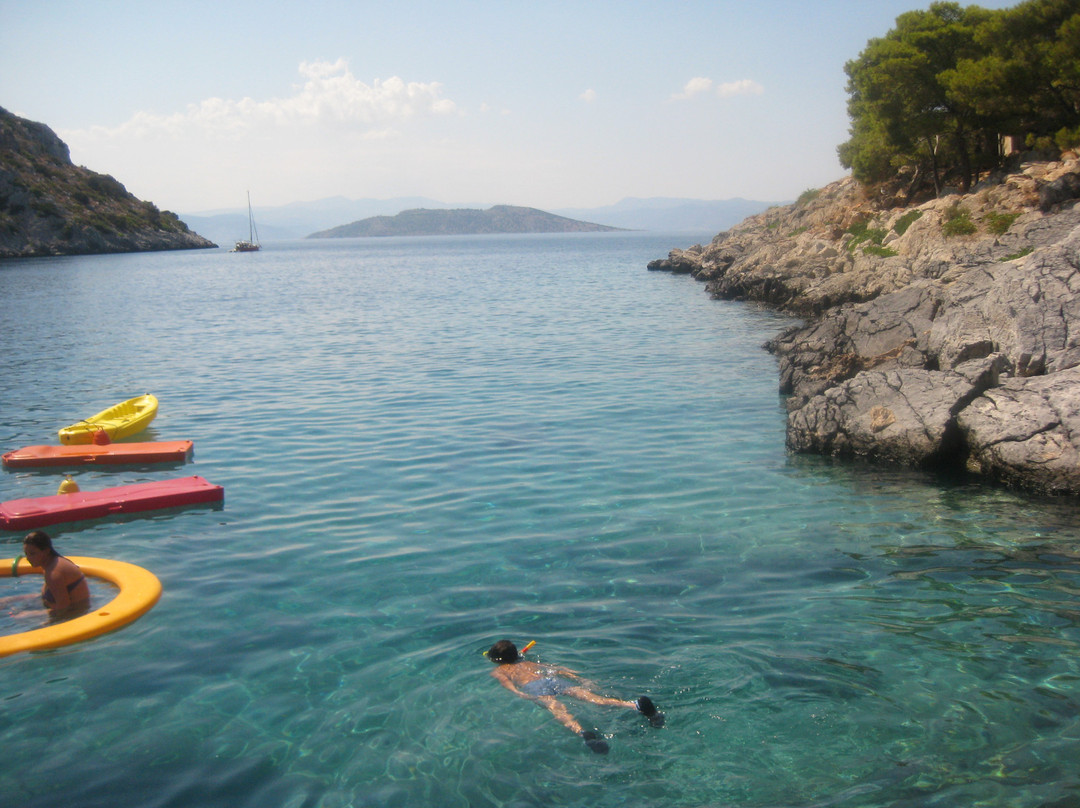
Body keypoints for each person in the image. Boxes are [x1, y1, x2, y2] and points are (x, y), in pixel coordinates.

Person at [486, 639, 664, 754]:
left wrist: (518, 693)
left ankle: (583, 733)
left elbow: (506, 683)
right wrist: (579, 678)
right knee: (593, 697)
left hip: (534, 686)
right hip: (551, 678)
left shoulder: (499, 670)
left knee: (558, 710)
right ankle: (633, 705)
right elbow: (557, 669)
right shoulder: (528, 662)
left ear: (495, 658)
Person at [21, 530, 91, 617]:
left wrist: (32, 615)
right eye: (26, 554)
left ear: (46, 551)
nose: (28, 558)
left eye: (32, 554)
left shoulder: (54, 573)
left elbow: (63, 608)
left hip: (74, 614)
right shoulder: (51, 564)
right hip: (60, 609)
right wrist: (12, 599)